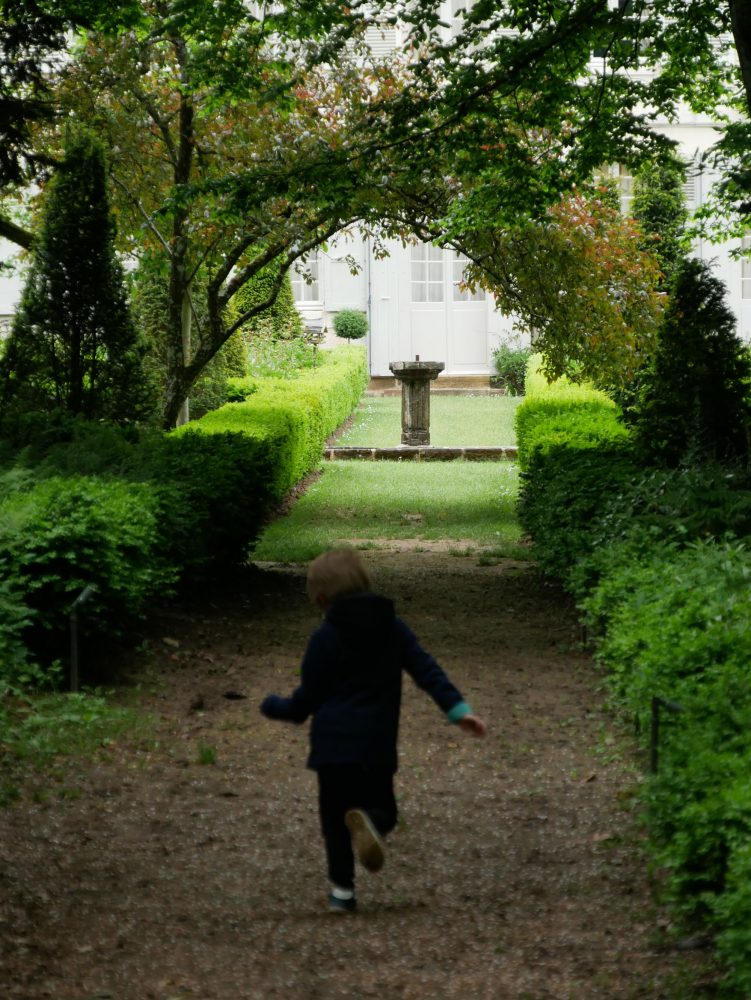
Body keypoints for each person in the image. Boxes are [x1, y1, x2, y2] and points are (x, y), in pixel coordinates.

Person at [260, 547, 487, 914]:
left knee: (334, 821)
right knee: (384, 808)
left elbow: (307, 700)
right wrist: (457, 710)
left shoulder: (324, 638)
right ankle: (374, 825)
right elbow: (426, 670)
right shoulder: (393, 628)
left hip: (333, 749)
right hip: (376, 745)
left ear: (321, 599)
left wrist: (274, 706)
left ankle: (342, 894)